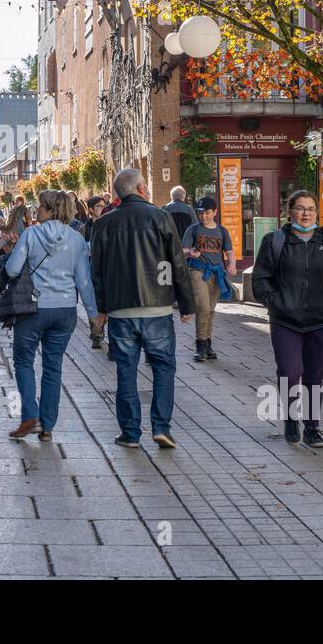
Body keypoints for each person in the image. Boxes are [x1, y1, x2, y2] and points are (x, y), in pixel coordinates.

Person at [90, 168, 195, 450]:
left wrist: (101, 310)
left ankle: (130, 432)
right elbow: (177, 263)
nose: (148, 190)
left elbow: (96, 273)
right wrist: (186, 304)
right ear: (139, 188)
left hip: (121, 310)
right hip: (158, 307)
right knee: (163, 368)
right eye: (146, 186)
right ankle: (161, 428)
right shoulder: (161, 217)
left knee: (126, 370)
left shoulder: (103, 224)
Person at [250, 190, 323, 448]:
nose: (306, 213)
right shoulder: (275, 241)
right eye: (300, 208)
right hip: (285, 320)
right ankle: (291, 417)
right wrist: (276, 302)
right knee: (290, 371)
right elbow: (260, 280)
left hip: (318, 319)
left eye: (311, 208)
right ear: (290, 211)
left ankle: (312, 427)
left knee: (315, 375)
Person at [4, 190, 98, 442]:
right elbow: (84, 281)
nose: (37, 212)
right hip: (65, 310)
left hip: (33, 308)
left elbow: (12, 270)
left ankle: (29, 416)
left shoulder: (31, 234)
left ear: (49, 209)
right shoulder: (76, 239)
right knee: (53, 366)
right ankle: (47, 426)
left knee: (24, 362)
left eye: (40, 208)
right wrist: (93, 315)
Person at [182, 196, 235, 363]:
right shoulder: (193, 229)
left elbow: (229, 251)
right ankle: (200, 344)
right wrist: (190, 252)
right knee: (203, 307)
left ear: (215, 212)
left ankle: (208, 343)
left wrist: (232, 264)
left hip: (216, 273)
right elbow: (182, 250)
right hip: (198, 271)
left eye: (207, 213)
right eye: (200, 213)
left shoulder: (222, 231)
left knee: (211, 310)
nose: (203, 216)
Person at [81, 195, 108, 349]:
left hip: (108, 269)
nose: (101, 208)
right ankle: (97, 334)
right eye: (98, 206)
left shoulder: (110, 224)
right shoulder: (85, 228)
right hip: (90, 270)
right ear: (90, 209)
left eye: (103, 205)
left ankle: (104, 328)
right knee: (94, 302)